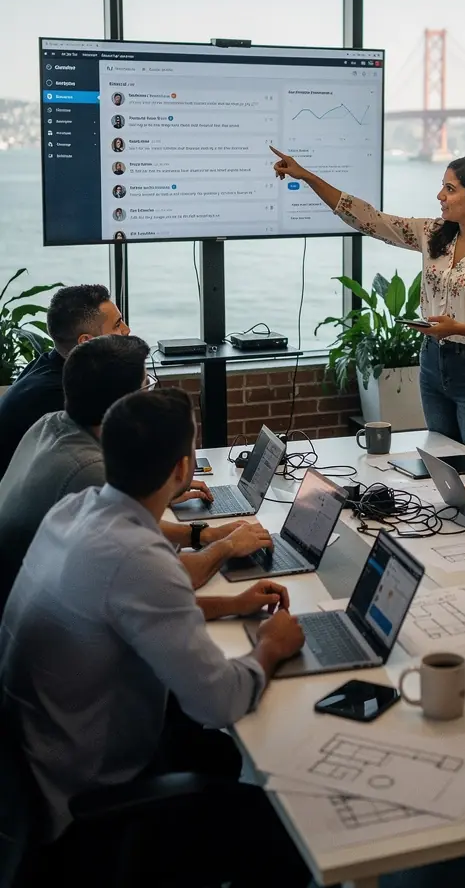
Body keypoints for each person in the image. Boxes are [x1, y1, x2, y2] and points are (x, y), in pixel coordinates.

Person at [0, 387, 307, 886]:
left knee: (223, 756)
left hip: (41, 764)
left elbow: (122, 608)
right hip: (85, 804)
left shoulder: (75, 509)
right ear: (183, 470)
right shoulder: (138, 558)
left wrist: (233, 605)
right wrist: (270, 645)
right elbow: (219, 703)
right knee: (295, 829)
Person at [271, 149, 465, 463]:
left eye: (450, 189)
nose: (440, 195)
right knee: (441, 467)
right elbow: (370, 220)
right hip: (433, 365)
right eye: (442, 186)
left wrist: (460, 329)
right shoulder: (433, 234)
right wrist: (309, 177)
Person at [0, 335, 274, 615]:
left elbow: (126, 534)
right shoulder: (90, 471)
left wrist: (201, 534)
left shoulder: (49, 424)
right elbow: (164, 579)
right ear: (126, 405)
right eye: (147, 386)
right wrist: (227, 547)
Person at [0, 283, 130, 481]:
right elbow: (93, 469)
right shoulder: (52, 396)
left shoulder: (50, 365)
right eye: (117, 324)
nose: (127, 330)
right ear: (86, 342)